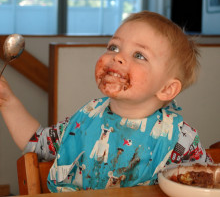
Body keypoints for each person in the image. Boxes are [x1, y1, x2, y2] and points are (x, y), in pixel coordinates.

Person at [0, 11, 212, 192]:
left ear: (167, 89)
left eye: (139, 55)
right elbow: (38, 144)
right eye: (114, 47)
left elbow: (208, 185)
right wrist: (8, 101)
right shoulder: (87, 116)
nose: (117, 57)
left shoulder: (180, 140)